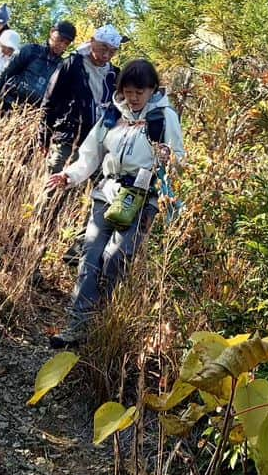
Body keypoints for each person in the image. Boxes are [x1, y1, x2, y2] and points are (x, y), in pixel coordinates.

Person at [44, 59, 184, 347]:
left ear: (152, 90)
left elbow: (180, 158)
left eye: (139, 93)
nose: (132, 98)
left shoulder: (164, 116)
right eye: (128, 91)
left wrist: (171, 158)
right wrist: (68, 176)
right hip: (108, 192)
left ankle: (101, 319)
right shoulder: (112, 114)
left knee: (116, 258)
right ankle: (77, 327)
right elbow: (90, 154)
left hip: (143, 198)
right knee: (90, 256)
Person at [40, 24, 121, 172]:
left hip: (97, 145)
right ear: (92, 42)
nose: (106, 56)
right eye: (103, 48)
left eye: (112, 51)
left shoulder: (114, 75)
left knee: (84, 191)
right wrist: (44, 137)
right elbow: (50, 100)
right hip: (68, 139)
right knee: (54, 186)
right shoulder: (73, 65)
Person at [0, 20, 77, 112]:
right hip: (5, 105)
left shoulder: (62, 67)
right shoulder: (30, 51)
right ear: (51, 33)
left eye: (67, 43)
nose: (62, 45)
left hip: (29, 117)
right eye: (60, 39)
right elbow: (3, 75)